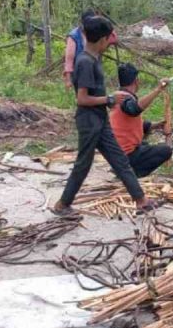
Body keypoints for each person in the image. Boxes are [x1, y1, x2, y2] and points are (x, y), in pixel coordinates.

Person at [52, 16, 156, 216]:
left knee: (119, 160)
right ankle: (62, 205)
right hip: (88, 121)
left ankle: (141, 201)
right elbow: (81, 99)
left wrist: (107, 102)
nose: (110, 43)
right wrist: (109, 99)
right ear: (101, 40)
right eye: (108, 39)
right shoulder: (84, 62)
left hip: (99, 119)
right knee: (83, 164)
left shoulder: (94, 58)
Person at [110, 63, 173, 178]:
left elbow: (133, 123)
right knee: (165, 151)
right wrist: (158, 89)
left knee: (145, 145)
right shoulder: (124, 98)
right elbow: (134, 109)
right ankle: (130, 175)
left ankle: (125, 171)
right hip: (126, 155)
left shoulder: (117, 97)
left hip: (117, 155)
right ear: (136, 81)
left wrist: (156, 125)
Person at [63, 9, 117, 89]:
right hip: (81, 71)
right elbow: (69, 59)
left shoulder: (98, 32)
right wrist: (68, 80)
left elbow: (112, 38)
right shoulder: (74, 36)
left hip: (93, 68)